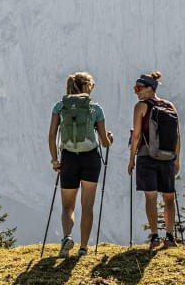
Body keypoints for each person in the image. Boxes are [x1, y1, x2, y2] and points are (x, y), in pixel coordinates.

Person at [48, 72, 114, 257]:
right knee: (87, 206)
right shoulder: (95, 109)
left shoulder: (60, 107)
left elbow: (52, 135)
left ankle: (67, 237)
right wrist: (110, 139)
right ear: (86, 87)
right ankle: (84, 249)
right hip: (91, 159)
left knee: (68, 206)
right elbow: (104, 142)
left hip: (69, 158)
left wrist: (55, 160)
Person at [127, 71, 181, 248]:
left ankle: (155, 237)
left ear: (150, 88)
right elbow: (177, 136)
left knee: (150, 198)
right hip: (167, 157)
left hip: (146, 156)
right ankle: (170, 237)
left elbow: (136, 135)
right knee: (168, 198)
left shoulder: (141, 106)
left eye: (138, 88)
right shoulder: (170, 106)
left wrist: (131, 159)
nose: (136, 92)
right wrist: (176, 160)